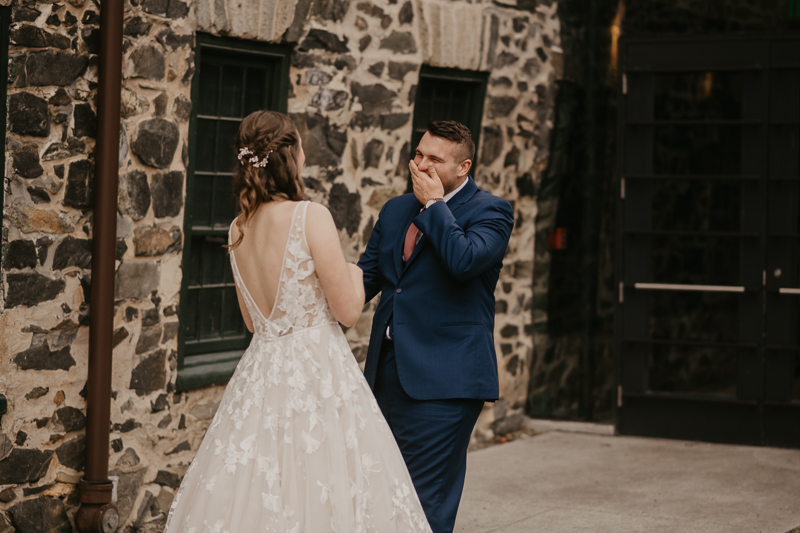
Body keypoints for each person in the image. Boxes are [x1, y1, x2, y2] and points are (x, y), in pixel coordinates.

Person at [165, 110, 432, 533]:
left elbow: (253, 323)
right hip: (317, 368)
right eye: (302, 146)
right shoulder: (311, 216)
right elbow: (346, 310)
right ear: (291, 156)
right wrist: (353, 272)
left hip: (262, 370)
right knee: (325, 482)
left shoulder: (237, 228)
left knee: (261, 482)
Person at [357, 120, 514, 533]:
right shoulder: (394, 210)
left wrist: (434, 205)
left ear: (463, 167)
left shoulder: (492, 211)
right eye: (419, 154)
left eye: (434, 159)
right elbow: (363, 280)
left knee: (424, 503)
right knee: (380, 491)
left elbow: (464, 262)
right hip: (385, 373)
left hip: (446, 379)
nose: (420, 165)